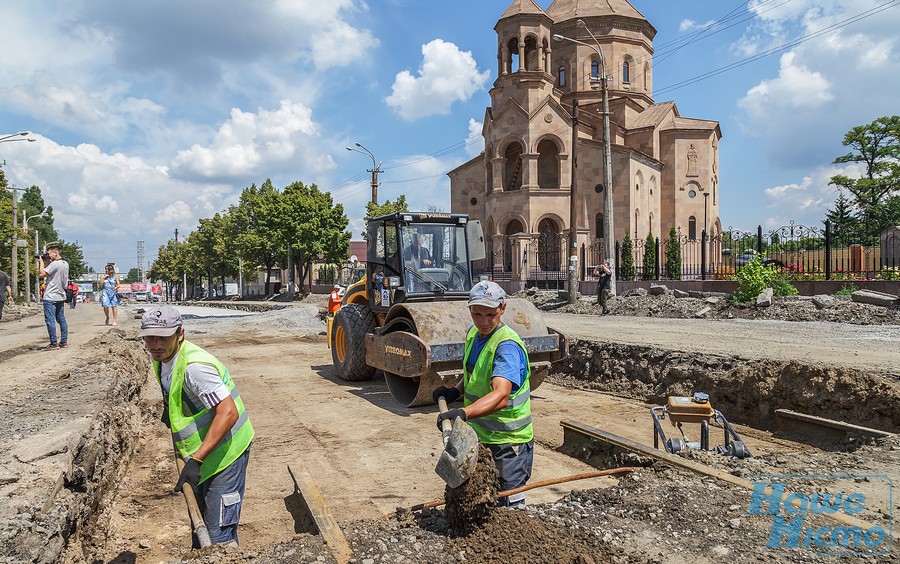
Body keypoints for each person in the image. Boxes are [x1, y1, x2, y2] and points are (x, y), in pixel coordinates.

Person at [138, 305, 254, 547]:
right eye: (150, 337)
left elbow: (228, 412)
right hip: (200, 453)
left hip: (226, 454)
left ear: (180, 334)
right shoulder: (161, 358)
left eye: (163, 338)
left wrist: (196, 460)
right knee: (199, 523)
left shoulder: (195, 367)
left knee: (219, 533)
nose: (156, 344)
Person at [432, 281, 533, 507]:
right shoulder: (473, 334)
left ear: (502, 309)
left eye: (490, 314)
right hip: (482, 437)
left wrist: (463, 413)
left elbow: (501, 394)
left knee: (509, 505)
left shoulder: (506, 346)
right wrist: (454, 391)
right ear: (469, 310)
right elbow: (474, 373)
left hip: (509, 443)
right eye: (477, 314)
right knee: (484, 499)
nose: (484, 322)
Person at [37, 244, 69, 350]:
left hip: (50, 296)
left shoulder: (55, 264)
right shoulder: (65, 264)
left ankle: (53, 343)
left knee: (50, 320)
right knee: (61, 319)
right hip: (60, 295)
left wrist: (41, 262)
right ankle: (64, 341)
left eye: (49, 254)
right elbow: (50, 273)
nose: (48, 255)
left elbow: (42, 273)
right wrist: (47, 262)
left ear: (55, 253)